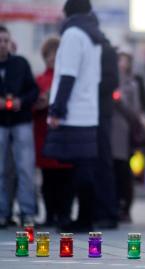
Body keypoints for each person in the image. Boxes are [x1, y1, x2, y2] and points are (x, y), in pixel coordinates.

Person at [43, 0, 104, 231]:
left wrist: (57, 109)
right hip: (89, 111)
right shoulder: (93, 37)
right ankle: (85, 217)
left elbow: (67, 75)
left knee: (73, 169)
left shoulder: (72, 35)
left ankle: (78, 220)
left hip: (73, 112)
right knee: (85, 168)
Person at [0, 25, 39, 228]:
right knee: (1, 169)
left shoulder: (21, 63)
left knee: (25, 168)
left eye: (5, 40)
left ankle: (27, 212)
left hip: (21, 121)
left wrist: (20, 102)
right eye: (0, 41)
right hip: (1, 124)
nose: (3, 45)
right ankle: (2, 212)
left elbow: (33, 90)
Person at [33, 36, 73, 228]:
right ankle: (50, 215)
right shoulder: (38, 80)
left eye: (55, 54)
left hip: (64, 135)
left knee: (66, 180)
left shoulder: (67, 79)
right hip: (44, 134)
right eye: (48, 54)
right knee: (48, 180)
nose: (52, 57)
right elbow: (30, 105)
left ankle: (64, 214)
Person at [111, 48, 141, 223]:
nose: (122, 64)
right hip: (109, 132)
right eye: (119, 60)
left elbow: (135, 111)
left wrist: (120, 100)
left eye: (125, 60)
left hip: (124, 134)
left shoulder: (132, 85)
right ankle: (112, 205)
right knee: (111, 171)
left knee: (124, 172)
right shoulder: (109, 81)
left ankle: (125, 207)